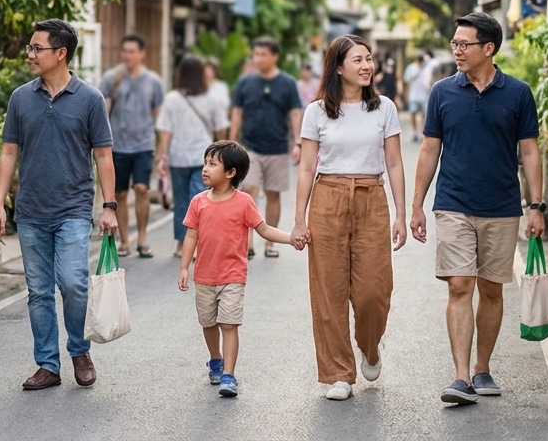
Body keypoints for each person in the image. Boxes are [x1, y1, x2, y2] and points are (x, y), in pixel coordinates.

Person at [410, 12, 544, 406]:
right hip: (453, 202)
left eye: (463, 44)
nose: (456, 50)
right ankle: (461, 376)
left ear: (488, 48)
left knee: (490, 288)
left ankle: (483, 367)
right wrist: (416, 204)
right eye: (454, 43)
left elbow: (530, 151)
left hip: (502, 205)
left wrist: (536, 206)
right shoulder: (442, 92)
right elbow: (430, 148)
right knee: (459, 284)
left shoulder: (518, 93)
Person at [0, 19, 117, 391]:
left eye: (36, 48)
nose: (30, 54)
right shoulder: (20, 98)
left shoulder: (90, 99)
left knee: (74, 283)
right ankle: (47, 364)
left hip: (74, 209)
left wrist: (109, 206)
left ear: (61, 53)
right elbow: (8, 152)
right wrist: (0, 204)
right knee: (39, 291)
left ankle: (79, 350)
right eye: (30, 48)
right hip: (30, 210)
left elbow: (104, 157)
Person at [291, 35, 407, 402]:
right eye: (358, 60)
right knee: (329, 291)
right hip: (327, 198)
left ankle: (369, 347)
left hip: (372, 197)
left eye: (369, 59)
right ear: (338, 67)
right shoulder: (317, 111)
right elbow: (308, 166)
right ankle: (338, 373)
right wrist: (299, 218)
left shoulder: (384, 107)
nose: (367, 66)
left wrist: (401, 213)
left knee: (375, 290)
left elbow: (393, 162)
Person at [178, 141, 293, 398]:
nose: (205, 169)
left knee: (228, 324)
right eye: (205, 162)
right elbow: (190, 237)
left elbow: (263, 229)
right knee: (208, 323)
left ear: (230, 173)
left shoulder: (243, 202)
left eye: (212, 164)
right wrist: (184, 267)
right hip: (204, 276)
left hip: (233, 275)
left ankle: (228, 375)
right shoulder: (198, 202)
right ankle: (215, 359)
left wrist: (291, 238)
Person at [229, 37, 303, 259]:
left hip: (278, 147)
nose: (258, 58)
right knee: (248, 190)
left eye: (263, 54)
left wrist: (298, 142)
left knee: (273, 194)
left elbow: (295, 113)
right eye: (256, 54)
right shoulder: (245, 82)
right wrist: (231, 143)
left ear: (274, 56)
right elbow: (237, 113)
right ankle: (248, 241)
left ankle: (269, 243)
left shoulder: (287, 83)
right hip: (249, 147)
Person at [156, 55, 230, 259]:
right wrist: (222, 151)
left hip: (178, 158)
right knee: (200, 201)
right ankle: (199, 244)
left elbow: (166, 131)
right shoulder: (211, 99)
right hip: (204, 160)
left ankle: (181, 245)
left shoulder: (172, 98)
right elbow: (221, 128)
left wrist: (162, 155)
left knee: (181, 202)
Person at [98, 34, 164, 257]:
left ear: (142, 54)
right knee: (121, 194)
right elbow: (97, 104)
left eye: (131, 51)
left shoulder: (153, 81)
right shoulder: (112, 77)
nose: (127, 55)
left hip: (144, 145)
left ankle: (142, 238)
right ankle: (125, 241)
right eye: (124, 51)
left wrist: (163, 149)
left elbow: (159, 116)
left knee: (142, 189)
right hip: (117, 146)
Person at [403, 51, 433, 142]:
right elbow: (406, 82)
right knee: (412, 113)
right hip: (413, 95)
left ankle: (420, 132)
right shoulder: (411, 68)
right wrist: (406, 93)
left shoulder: (427, 68)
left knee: (423, 115)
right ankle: (414, 132)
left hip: (424, 95)